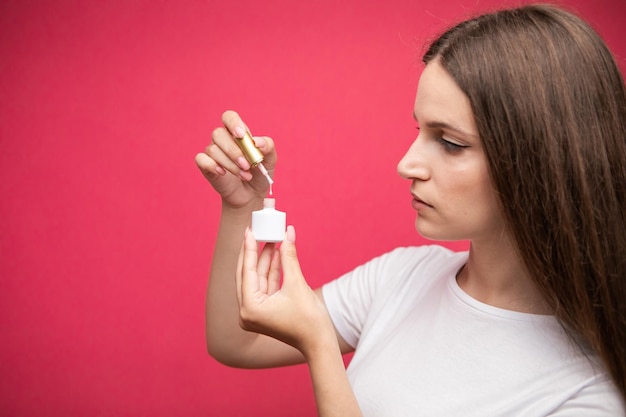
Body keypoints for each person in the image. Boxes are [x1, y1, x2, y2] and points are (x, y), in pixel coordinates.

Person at [195, 4, 626, 416]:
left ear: (541, 159)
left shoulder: (588, 394)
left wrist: (320, 345)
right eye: (419, 129)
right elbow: (236, 342)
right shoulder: (402, 279)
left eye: (450, 142)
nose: (406, 165)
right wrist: (243, 206)